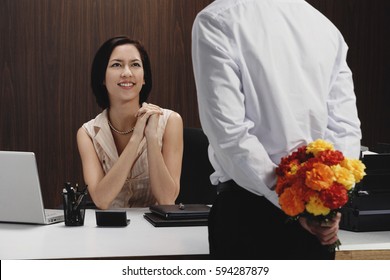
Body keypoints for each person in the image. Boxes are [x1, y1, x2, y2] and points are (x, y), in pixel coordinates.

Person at [191, 0, 362, 259]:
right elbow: (346, 129)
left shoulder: (216, 20)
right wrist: (323, 206)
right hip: (315, 223)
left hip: (248, 217)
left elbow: (230, 135)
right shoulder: (326, 28)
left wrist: (296, 203)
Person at [77, 36, 183, 209]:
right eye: (116, 65)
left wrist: (151, 138)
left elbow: (166, 199)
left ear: (144, 78)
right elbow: (101, 200)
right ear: (102, 77)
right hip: (109, 230)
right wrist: (135, 138)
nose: (127, 73)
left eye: (135, 64)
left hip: (156, 229)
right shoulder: (88, 133)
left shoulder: (171, 121)